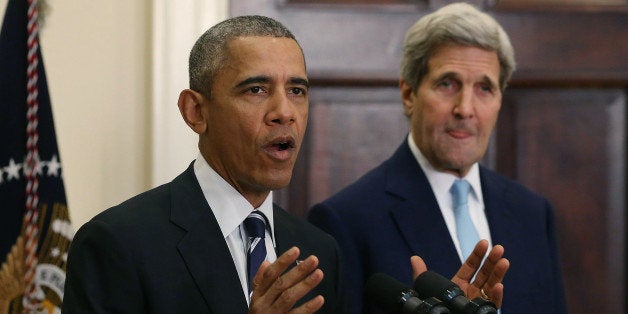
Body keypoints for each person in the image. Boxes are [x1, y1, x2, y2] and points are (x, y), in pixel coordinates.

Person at [62, 15, 343, 313]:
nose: (285, 112)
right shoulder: (117, 244)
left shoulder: (319, 251)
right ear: (195, 111)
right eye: (256, 89)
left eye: (296, 91)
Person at [308, 3, 567, 314]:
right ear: (409, 94)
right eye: (448, 84)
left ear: (500, 99)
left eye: (484, 88)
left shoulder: (533, 213)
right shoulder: (345, 220)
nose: (465, 108)